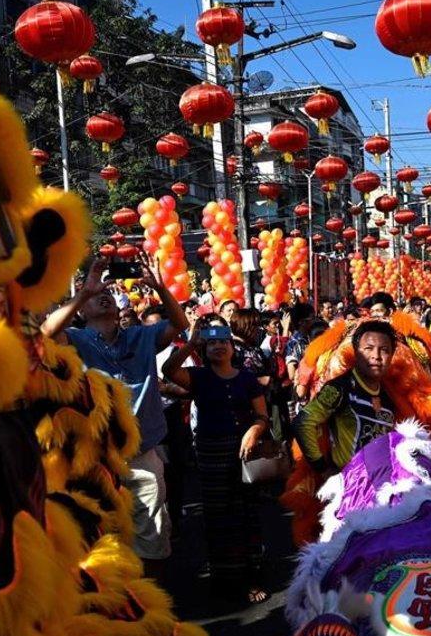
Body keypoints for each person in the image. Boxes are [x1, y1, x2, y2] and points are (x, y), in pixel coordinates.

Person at [41, 253, 188, 576]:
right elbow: (45, 334)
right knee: (104, 538)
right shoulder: (75, 340)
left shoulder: (142, 336)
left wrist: (162, 288)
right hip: (97, 458)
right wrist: (85, 292)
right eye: (99, 296)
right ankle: (120, 602)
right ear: (82, 310)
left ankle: (150, 601)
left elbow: (180, 325)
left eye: (109, 294)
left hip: (144, 456)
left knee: (152, 534)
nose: (105, 296)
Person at [162, 320, 270, 604]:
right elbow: (168, 371)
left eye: (223, 341)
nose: (218, 346)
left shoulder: (247, 378)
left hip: (243, 453)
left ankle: (251, 577)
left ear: (233, 347)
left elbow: (262, 416)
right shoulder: (198, 376)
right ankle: (224, 578)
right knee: (217, 515)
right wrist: (190, 343)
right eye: (211, 343)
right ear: (204, 348)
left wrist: (254, 431)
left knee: (245, 513)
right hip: (210, 454)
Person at [293, 320, 398, 484]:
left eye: (384, 350)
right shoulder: (339, 388)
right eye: (368, 349)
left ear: (391, 355)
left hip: (382, 487)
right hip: (351, 490)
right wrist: (324, 469)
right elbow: (303, 422)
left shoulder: (390, 395)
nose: (376, 356)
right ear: (356, 352)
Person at [143, 305, 192, 539]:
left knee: (173, 468)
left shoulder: (178, 351)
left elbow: (189, 388)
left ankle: (174, 514)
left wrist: (165, 387)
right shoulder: (137, 350)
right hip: (145, 418)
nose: (153, 330)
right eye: (147, 326)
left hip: (172, 416)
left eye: (157, 325)